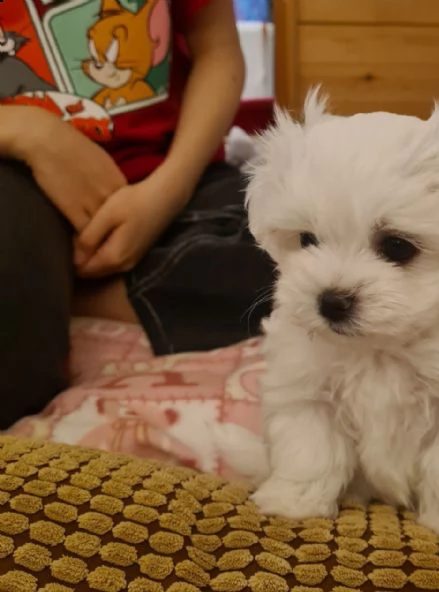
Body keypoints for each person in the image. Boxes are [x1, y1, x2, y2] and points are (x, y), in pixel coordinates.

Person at [0, 0, 274, 429]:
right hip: (17, 180)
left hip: (169, 180)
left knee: (300, 255)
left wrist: (168, 189)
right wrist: (28, 132)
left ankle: (74, 288)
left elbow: (217, 50)